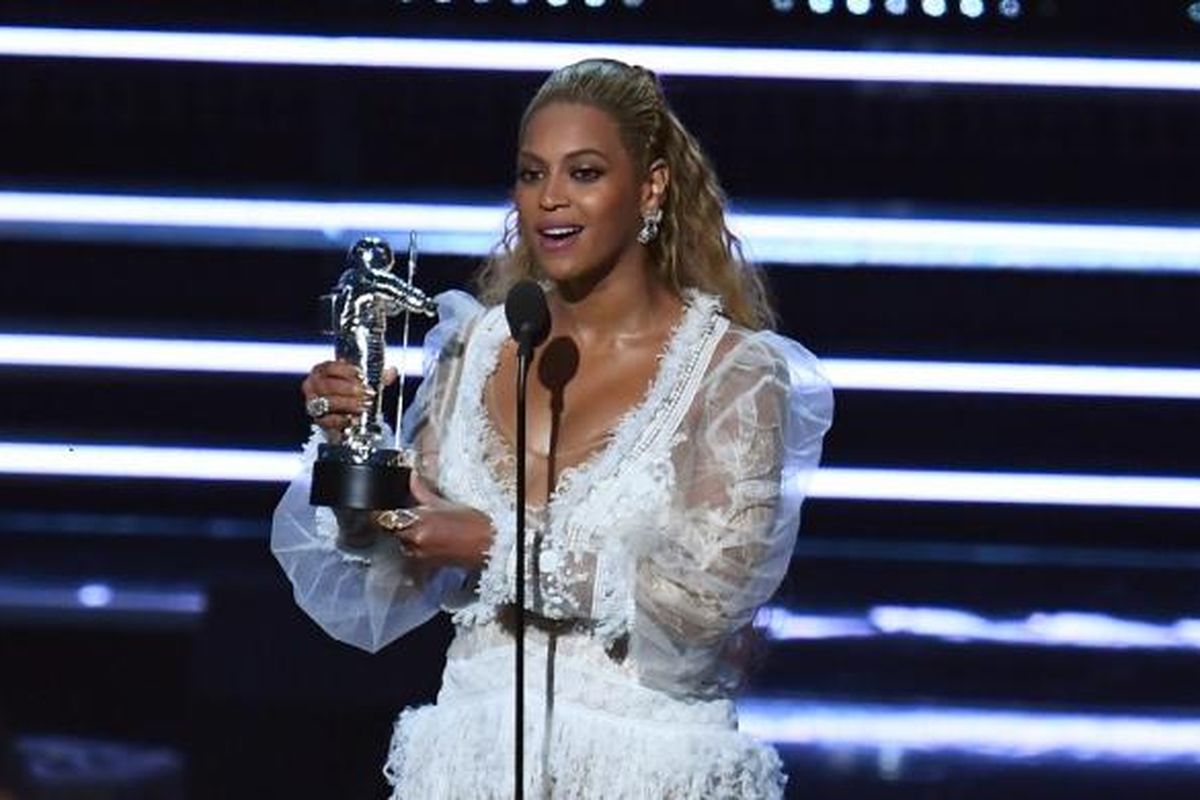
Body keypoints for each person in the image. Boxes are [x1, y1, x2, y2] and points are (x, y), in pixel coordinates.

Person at [272, 58, 833, 799]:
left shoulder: (731, 375)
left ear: (652, 187)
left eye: (585, 172)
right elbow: (384, 569)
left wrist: (494, 546)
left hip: (646, 768)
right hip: (471, 761)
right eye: (532, 174)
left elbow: (703, 609)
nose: (551, 200)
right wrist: (352, 449)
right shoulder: (475, 349)